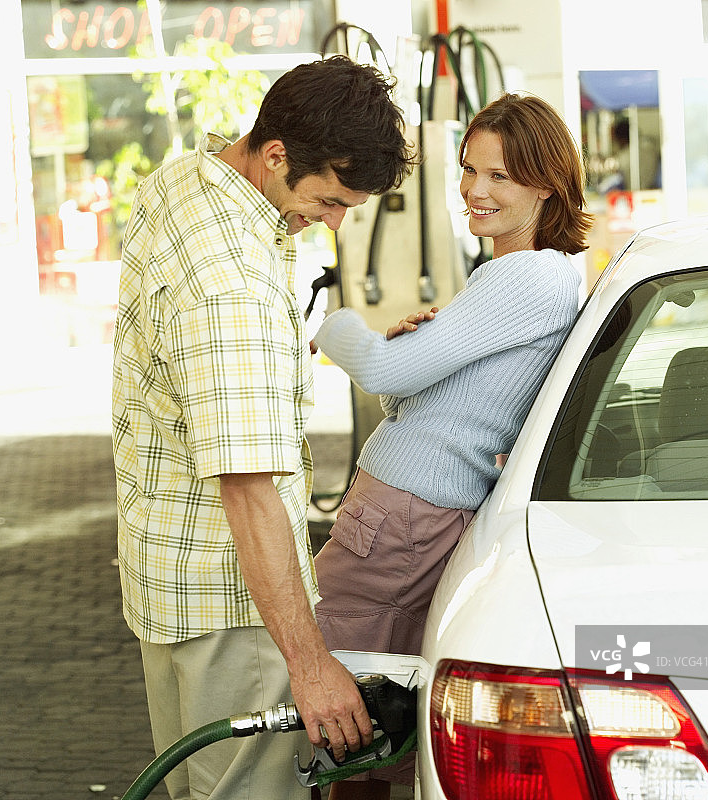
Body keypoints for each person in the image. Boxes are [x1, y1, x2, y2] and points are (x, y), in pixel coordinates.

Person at [111, 55, 415, 800]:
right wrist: (310, 667)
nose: (337, 222)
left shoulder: (185, 182)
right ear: (277, 154)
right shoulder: (232, 284)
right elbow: (248, 487)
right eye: (332, 199)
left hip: (167, 583)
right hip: (232, 608)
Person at [310, 92, 593, 799]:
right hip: (415, 513)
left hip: (399, 518)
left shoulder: (526, 275)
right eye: (470, 169)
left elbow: (378, 370)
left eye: (500, 175)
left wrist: (330, 321)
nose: (474, 189)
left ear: (548, 183)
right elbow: (413, 396)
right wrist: (416, 350)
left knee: (322, 690)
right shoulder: (533, 275)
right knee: (382, 712)